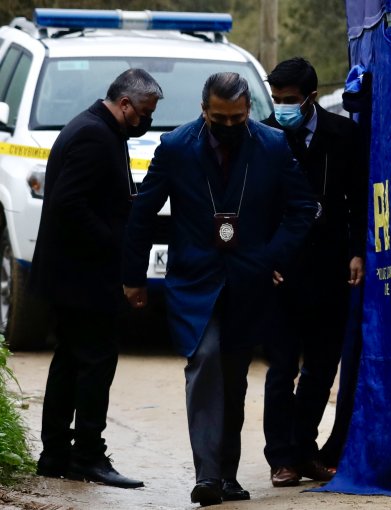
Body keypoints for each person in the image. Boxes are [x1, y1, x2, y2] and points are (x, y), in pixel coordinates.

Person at [121, 72, 317, 506]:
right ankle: (207, 475)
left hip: (251, 279)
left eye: (238, 118)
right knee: (204, 359)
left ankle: (227, 474)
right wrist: (134, 276)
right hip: (195, 279)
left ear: (248, 112)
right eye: (220, 118)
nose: (229, 126)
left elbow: (303, 208)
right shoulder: (175, 148)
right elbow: (143, 213)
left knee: (234, 376)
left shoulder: (271, 145)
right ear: (203, 110)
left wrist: (273, 256)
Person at [29, 68, 162, 489]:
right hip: (81, 277)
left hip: (73, 274)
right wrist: (116, 243)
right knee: (95, 362)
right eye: (144, 112)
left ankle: (54, 455)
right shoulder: (93, 135)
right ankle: (86, 454)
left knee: (70, 360)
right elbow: (70, 204)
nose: (147, 121)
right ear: (124, 105)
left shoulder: (101, 130)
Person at [261, 57, 367, 487]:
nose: (283, 107)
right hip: (281, 270)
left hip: (330, 266)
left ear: (309, 97)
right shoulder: (263, 135)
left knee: (321, 368)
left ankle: (305, 450)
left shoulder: (343, 135)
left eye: (290, 100)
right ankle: (281, 457)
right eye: (277, 99)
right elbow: (254, 206)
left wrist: (358, 252)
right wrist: (264, 259)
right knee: (281, 367)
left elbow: (359, 199)